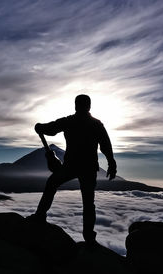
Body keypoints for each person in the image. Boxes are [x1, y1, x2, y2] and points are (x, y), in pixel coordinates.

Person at [33, 94, 117, 244]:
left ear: (76, 105)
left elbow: (51, 129)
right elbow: (106, 145)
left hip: (71, 166)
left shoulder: (69, 121)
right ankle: (89, 237)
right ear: (89, 106)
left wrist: (39, 127)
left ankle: (40, 215)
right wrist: (111, 163)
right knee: (88, 202)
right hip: (89, 167)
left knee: (52, 183)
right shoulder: (96, 124)